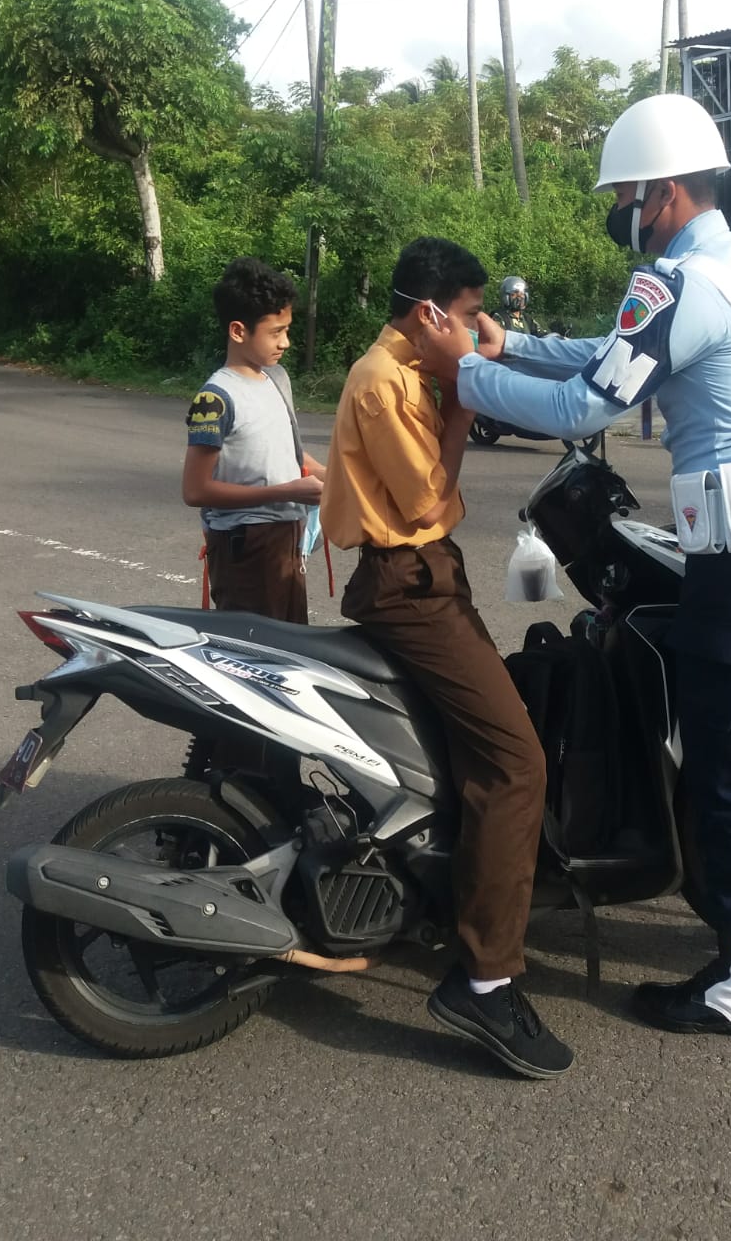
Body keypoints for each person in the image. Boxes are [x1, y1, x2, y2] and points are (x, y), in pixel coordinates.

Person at [418, 95, 731, 1043]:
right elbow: (612, 357)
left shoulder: (673, 282)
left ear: (663, 190)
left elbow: (587, 407)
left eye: (626, 195)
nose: (620, 211)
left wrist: (461, 374)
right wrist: (508, 343)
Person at [319, 236, 572, 1080]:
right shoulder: (387, 380)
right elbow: (429, 497)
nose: (472, 330)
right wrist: (464, 399)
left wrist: (476, 370)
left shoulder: (407, 367)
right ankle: (486, 980)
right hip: (408, 586)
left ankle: (445, 905)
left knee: (475, 752)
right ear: (428, 314)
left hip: (427, 578)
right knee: (516, 761)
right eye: (464, 317)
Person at [183, 257, 326, 623]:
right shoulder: (215, 399)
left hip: (287, 541)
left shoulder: (276, 378)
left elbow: (286, 454)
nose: (286, 342)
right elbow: (196, 491)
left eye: (287, 329)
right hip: (246, 550)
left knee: (294, 652)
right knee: (258, 658)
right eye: (275, 332)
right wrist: (287, 492)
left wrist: (339, 477)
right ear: (237, 331)